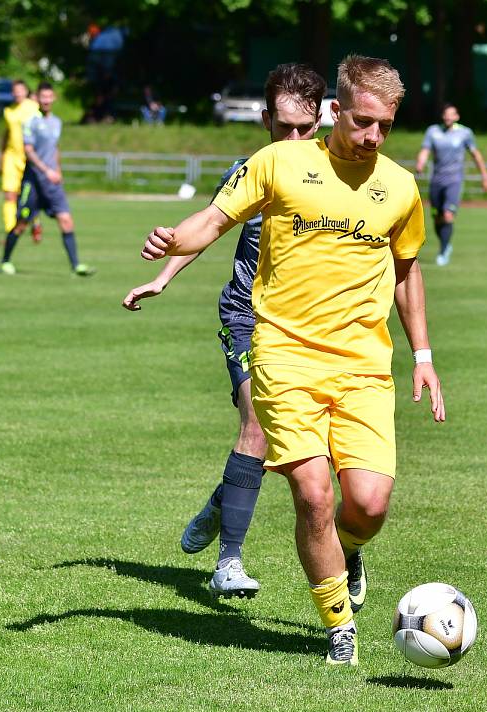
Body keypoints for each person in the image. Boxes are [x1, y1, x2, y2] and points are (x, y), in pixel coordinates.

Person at [138, 55, 445, 667]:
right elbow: (213, 221)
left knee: (369, 505)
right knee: (313, 495)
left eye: (386, 125)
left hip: (363, 365)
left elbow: (407, 271)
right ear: (336, 110)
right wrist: (171, 244)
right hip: (284, 355)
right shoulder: (278, 162)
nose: (373, 137)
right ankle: (340, 630)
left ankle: (348, 549)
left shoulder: (401, 187)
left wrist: (424, 355)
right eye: (363, 122)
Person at [122, 63, 327, 598]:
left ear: (323, 121)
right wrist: (162, 275)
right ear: (265, 121)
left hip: (309, 329)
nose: (294, 139)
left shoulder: (335, 177)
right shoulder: (249, 170)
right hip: (247, 317)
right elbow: (210, 228)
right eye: (284, 128)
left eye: (305, 129)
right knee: (256, 428)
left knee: (307, 453)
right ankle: (228, 563)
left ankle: (222, 501)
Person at [0, 83, 95, 277]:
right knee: (21, 224)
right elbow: (29, 150)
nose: (47, 100)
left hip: (52, 183)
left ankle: (76, 265)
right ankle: (5, 261)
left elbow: (55, 149)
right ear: (37, 99)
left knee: (66, 221)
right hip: (33, 182)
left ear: (54, 98)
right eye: (43, 97)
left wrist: (57, 171)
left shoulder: (57, 122)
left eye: (50, 97)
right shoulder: (31, 121)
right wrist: (46, 170)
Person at [415, 104, 487, 266]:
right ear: (443, 116)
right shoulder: (433, 131)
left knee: (448, 215)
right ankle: (445, 244)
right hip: (436, 181)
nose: (448, 117)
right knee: (436, 218)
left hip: (454, 181)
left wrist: (484, 176)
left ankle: (443, 251)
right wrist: (420, 163)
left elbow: (476, 155)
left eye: (451, 114)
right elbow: (425, 150)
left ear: (457, 117)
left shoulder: (465, 133)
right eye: (445, 114)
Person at [0, 80, 42, 242]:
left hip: (29, 158)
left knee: (31, 196)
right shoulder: (8, 111)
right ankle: (10, 231)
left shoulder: (33, 107)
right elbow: (6, 134)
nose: (17, 93)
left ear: (25, 91)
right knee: (10, 195)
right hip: (12, 157)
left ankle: (36, 222)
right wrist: (1, 156)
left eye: (20, 90)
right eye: (14, 91)